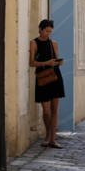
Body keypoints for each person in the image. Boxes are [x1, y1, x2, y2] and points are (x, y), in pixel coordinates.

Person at [30, 18, 65, 148]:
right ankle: (48, 135)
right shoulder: (34, 43)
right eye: (46, 31)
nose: (48, 34)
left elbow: (56, 58)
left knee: (55, 109)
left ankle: (53, 139)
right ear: (40, 29)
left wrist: (58, 62)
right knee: (46, 111)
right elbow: (32, 63)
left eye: (50, 32)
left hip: (55, 77)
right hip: (42, 78)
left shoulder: (53, 43)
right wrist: (46, 63)